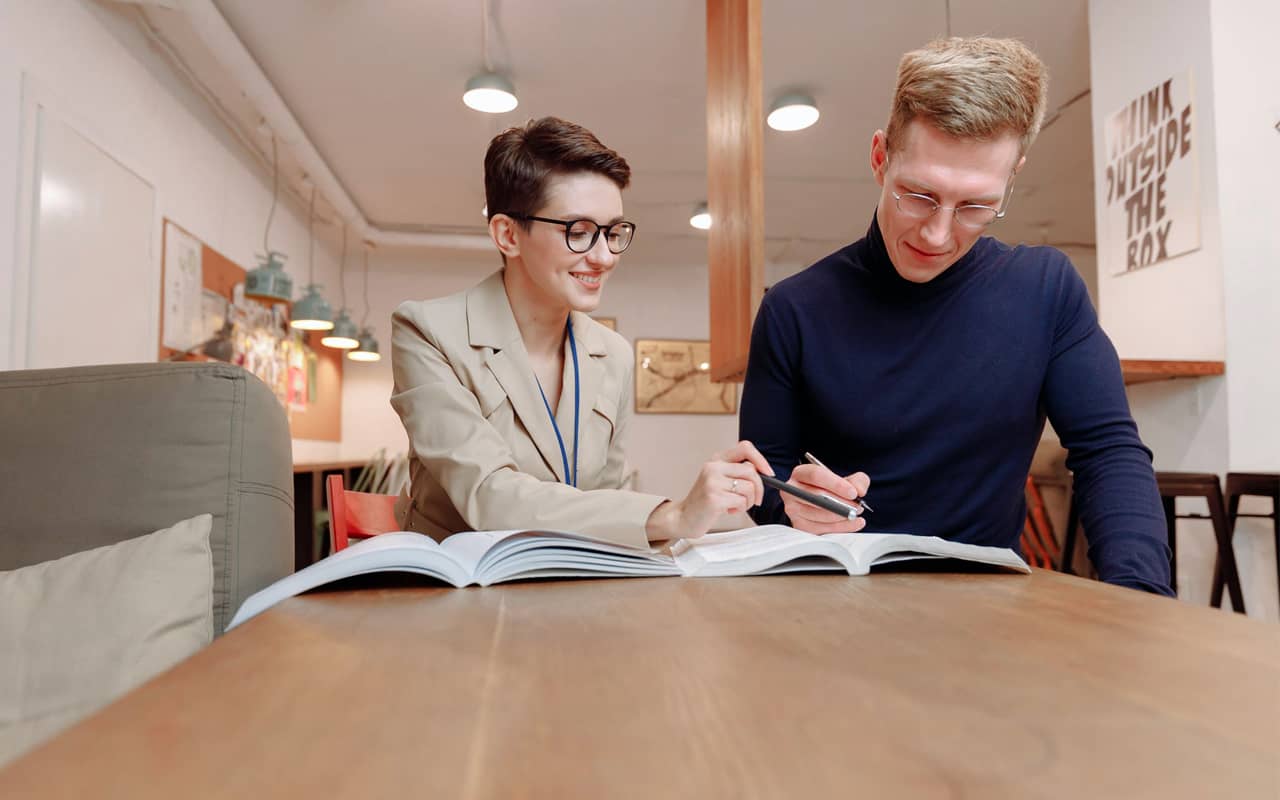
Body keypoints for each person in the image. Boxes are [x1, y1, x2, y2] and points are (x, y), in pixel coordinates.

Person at [739, 37, 1172, 595]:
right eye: (917, 195)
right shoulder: (793, 308)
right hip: (831, 600)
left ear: (1011, 179)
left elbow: (1108, 452)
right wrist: (789, 503)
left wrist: (1141, 599)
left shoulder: (1046, 289)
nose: (938, 235)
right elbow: (763, 473)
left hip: (989, 602)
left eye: (975, 207)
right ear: (880, 157)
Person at [391, 116, 772, 549]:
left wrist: (716, 501)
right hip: (458, 584)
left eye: (613, 232)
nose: (605, 257)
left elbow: (602, 504)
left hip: (565, 576)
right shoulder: (427, 331)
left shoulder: (612, 353)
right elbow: (489, 497)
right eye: (580, 232)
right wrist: (675, 513)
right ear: (508, 234)